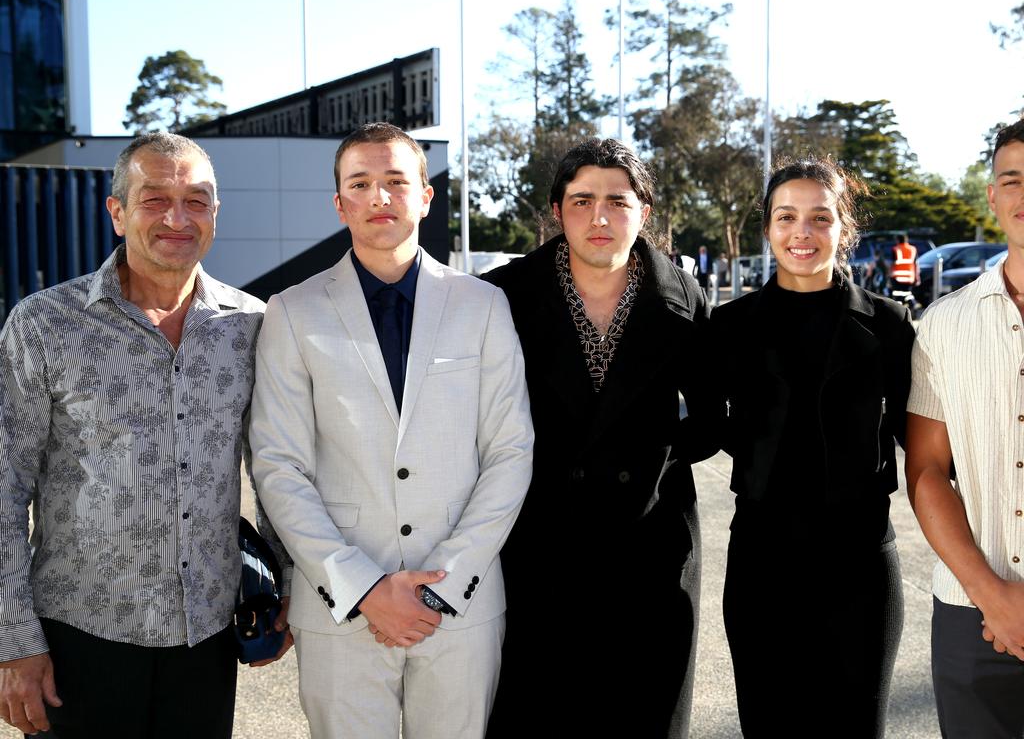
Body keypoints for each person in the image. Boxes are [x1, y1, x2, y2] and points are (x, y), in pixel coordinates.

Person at [0, 132, 292, 738]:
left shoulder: (253, 326)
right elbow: (5, 487)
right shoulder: (44, 324)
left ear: (216, 213)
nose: (177, 218)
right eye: (155, 198)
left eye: (197, 200)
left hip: (204, 641)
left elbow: (276, 469)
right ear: (117, 212)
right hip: (79, 637)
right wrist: (13, 638)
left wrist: (284, 585)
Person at [249, 122, 533, 739]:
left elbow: (510, 453)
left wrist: (444, 585)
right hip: (340, 609)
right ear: (340, 202)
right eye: (362, 183)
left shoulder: (483, 305)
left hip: (460, 606)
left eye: (396, 182)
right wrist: (363, 586)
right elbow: (278, 464)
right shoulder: (292, 312)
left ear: (426, 196)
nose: (380, 197)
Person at [482, 138, 710, 737]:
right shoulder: (504, 295)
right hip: (541, 544)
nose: (601, 217)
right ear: (557, 211)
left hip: (651, 548)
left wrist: (655, 459)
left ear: (646, 212)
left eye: (618, 200)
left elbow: (714, 417)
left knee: (645, 716)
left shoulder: (683, 298)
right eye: (582, 200)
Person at [707, 157, 914, 737]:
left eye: (820, 217)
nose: (802, 231)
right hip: (761, 568)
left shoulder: (890, 326)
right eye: (786, 216)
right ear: (768, 227)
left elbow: (922, 445)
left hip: (861, 568)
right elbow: (697, 429)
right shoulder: (728, 327)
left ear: (844, 228)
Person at [905, 116, 1024, 738]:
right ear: (992, 196)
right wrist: (994, 596)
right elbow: (926, 471)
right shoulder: (943, 326)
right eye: (1012, 179)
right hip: (970, 617)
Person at [890, 232, 918, 297]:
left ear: (898, 240)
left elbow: (892, 264)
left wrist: (889, 275)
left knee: (897, 296)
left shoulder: (895, 249)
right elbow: (916, 264)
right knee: (907, 295)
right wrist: (916, 277)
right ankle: (912, 304)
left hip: (898, 277)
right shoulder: (913, 249)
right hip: (910, 278)